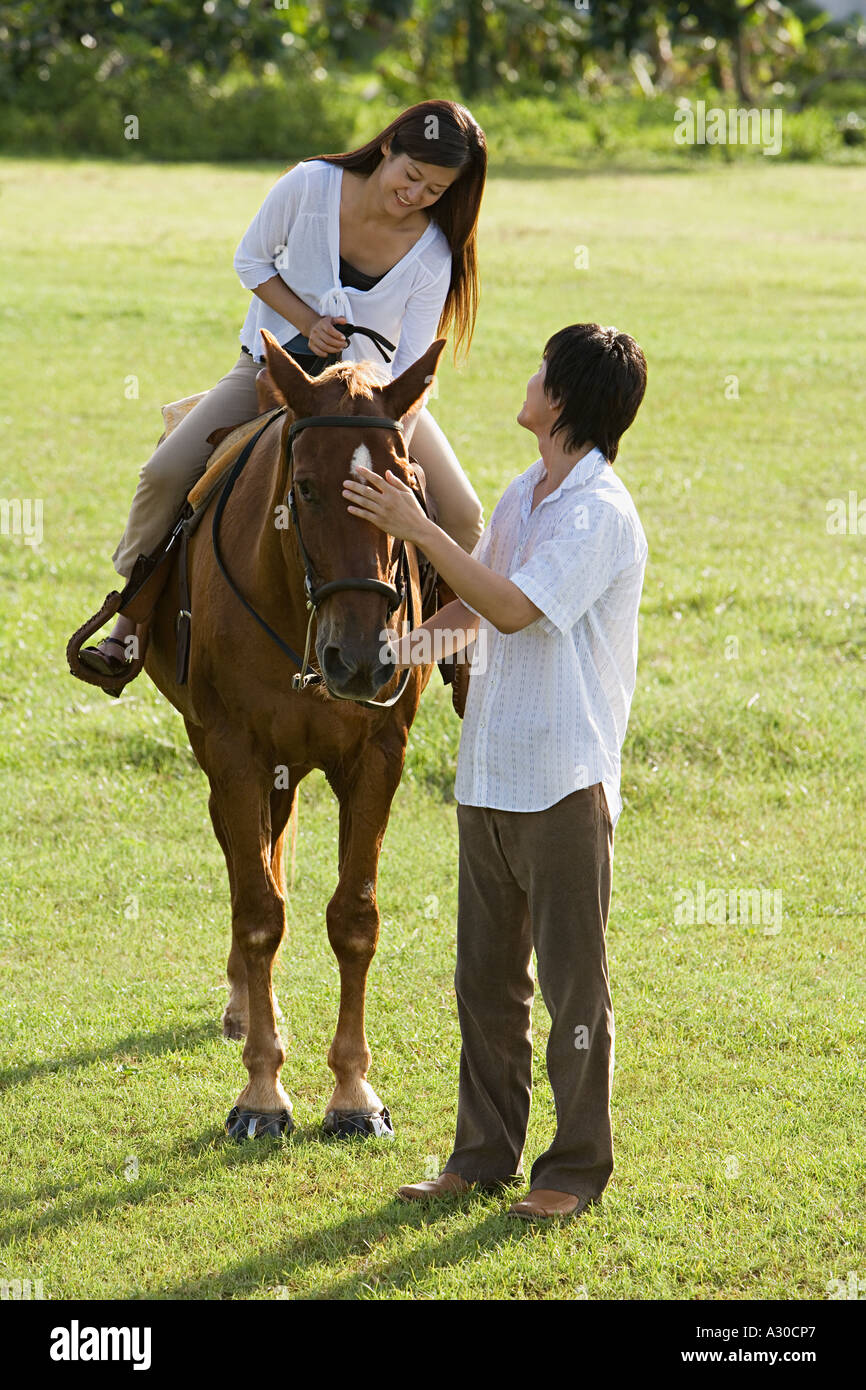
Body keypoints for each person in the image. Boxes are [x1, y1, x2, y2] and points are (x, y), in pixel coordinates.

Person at [342, 323, 648, 1221]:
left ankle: (574, 1171)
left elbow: (512, 608)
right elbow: (473, 609)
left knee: (570, 989)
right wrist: (398, 653)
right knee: (485, 985)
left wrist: (413, 525)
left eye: (538, 372)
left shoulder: (598, 512)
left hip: (562, 780)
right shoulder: (528, 491)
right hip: (491, 776)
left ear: (561, 399)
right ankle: (480, 1158)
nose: (526, 380)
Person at [81, 99, 487, 677]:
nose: (416, 194)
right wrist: (305, 322)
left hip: (373, 405)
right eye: (412, 175)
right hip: (272, 374)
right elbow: (251, 261)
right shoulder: (311, 184)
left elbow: (413, 370)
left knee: (466, 513)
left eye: (435, 190)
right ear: (390, 147)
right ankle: (131, 619)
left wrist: (393, 446)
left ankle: (441, 654)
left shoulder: (433, 254)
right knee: (165, 473)